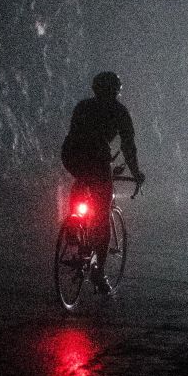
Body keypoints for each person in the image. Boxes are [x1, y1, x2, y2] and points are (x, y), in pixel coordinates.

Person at [60, 71, 145, 294]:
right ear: (116, 91)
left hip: (71, 154)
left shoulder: (83, 106)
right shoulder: (119, 112)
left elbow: (76, 134)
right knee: (101, 216)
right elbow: (128, 146)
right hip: (97, 158)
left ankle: (73, 223)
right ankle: (98, 273)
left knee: (82, 178)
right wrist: (136, 173)